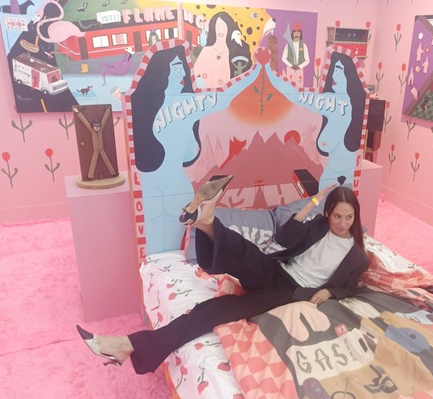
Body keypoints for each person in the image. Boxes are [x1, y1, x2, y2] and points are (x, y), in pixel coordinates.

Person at [77, 179, 370, 375]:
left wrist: (330, 292)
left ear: (356, 216)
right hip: (278, 270)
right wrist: (312, 202)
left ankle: (126, 345)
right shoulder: (319, 225)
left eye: (349, 217)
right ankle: (207, 225)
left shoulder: (357, 256)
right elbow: (286, 237)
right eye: (336, 216)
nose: (342, 223)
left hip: (290, 292)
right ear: (328, 213)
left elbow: (350, 287)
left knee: (213, 310)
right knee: (247, 252)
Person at [130, 43, 261, 255]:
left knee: (171, 244)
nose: (183, 73)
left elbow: (223, 97)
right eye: (176, 67)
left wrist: (255, 72)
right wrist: (254, 72)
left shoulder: (170, 104)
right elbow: (223, 98)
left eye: (182, 67)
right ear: (162, 72)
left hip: (165, 185)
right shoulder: (176, 104)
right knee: (163, 246)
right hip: (164, 185)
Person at [263, 50, 366, 189]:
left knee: (319, 201)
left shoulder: (334, 102)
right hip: (343, 176)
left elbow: (296, 96)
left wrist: (269, 73)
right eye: (334, 70)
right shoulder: (352, 103)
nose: (334, 75)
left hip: (332, 179)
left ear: (349, 75)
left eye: (338, 70)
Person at [193, 11, 252, 89]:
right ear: (213, 28)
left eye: (223, 26)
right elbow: (194, 74)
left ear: (229, 28)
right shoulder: (206, 51)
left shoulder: (234, 53)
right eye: (218, 26)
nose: (220, 30)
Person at [281, 22, 310, 88]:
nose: (297, 34)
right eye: (295, 32)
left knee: (299, 86)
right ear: (292, 33)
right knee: (289, 86)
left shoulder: (304, 46)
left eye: (298, 32)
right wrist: (291, 65)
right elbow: (283, 58)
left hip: (300, 70)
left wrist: (299, 66)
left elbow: (307, 60)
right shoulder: (288, 45)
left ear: (301, 34)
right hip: (290, 69)